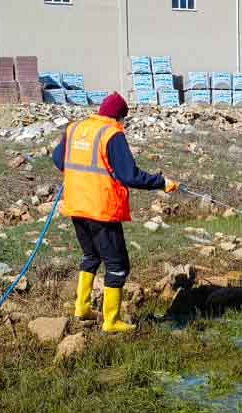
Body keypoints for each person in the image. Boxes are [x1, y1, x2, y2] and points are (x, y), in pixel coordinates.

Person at [52, 92, 177, 333]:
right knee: (117, 265)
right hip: (101, 209)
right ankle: (111, 322)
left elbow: (60, 161)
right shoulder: (112, 134)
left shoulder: (75, 128)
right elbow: (129, 175)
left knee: (91, 257)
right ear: (119, 116)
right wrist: (162, 182)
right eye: (123, 119)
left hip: (77, 205)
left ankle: (82, 308)